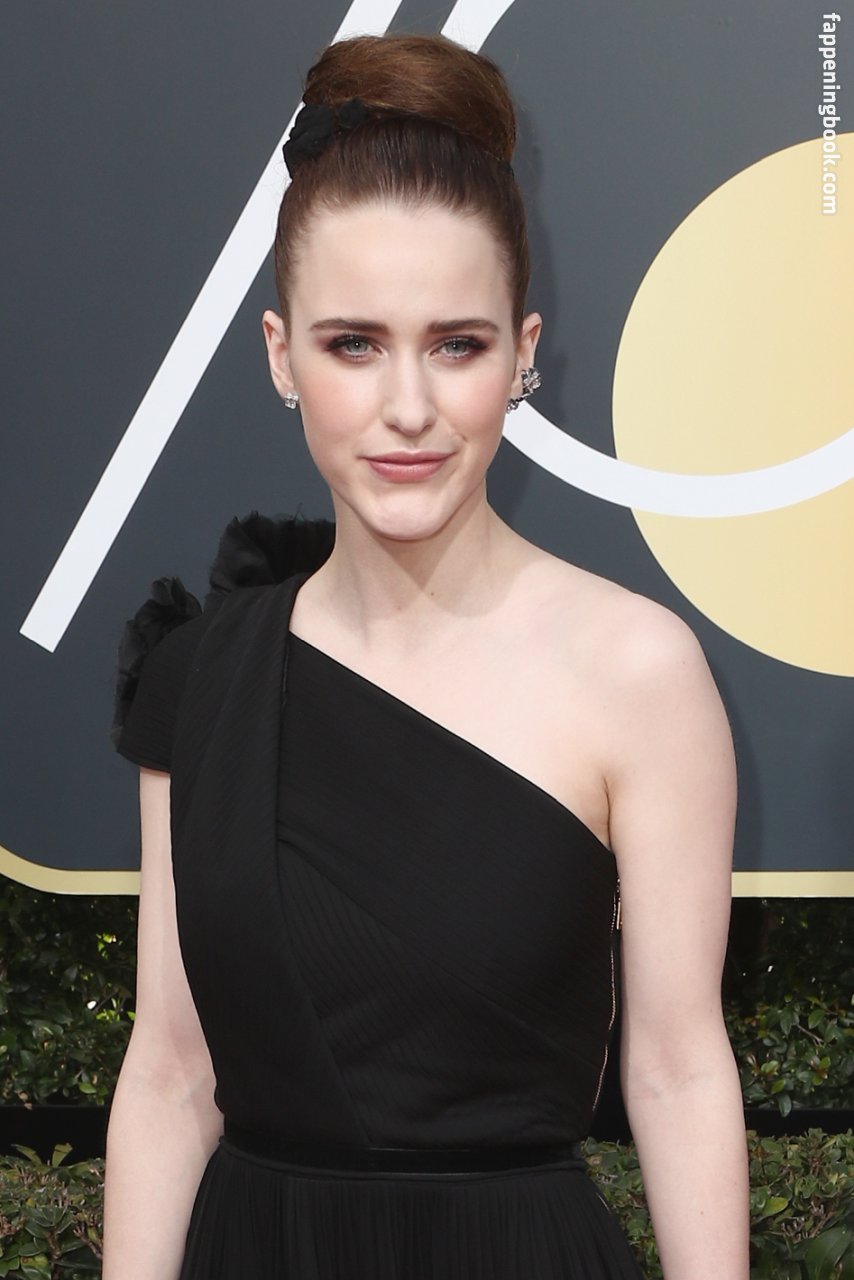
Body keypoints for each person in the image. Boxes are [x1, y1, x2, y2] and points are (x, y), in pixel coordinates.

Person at [103, 31, 750, 1280]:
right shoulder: (204, 676)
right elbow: (171, 1068)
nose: (408, 406)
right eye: (353, 343)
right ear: (281, 354)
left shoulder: (636, 670)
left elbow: (675, 1066)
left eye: (456, 343)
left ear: (522, 352)